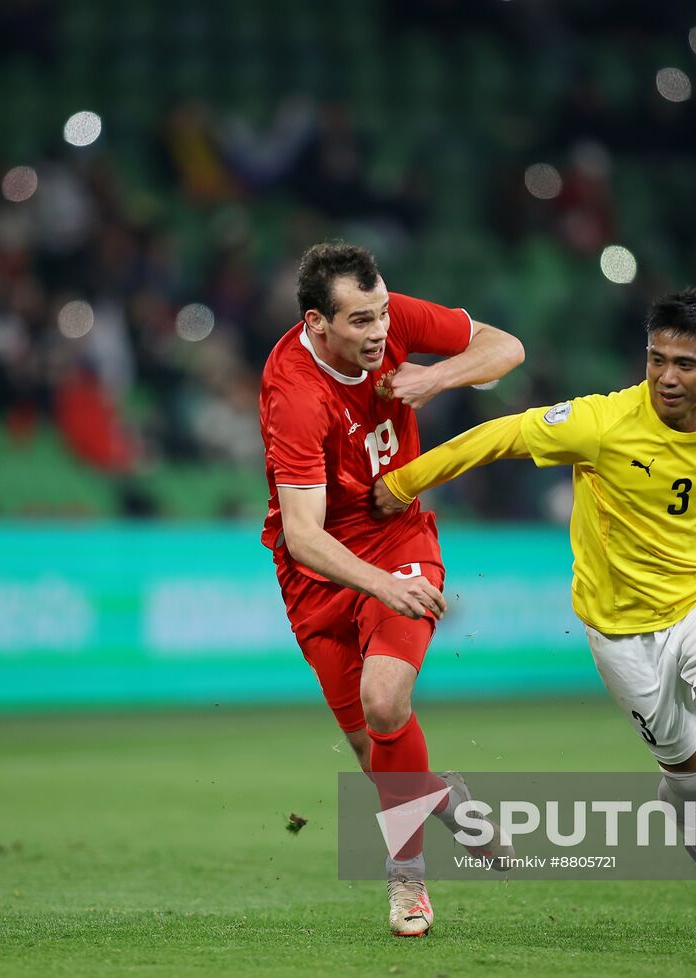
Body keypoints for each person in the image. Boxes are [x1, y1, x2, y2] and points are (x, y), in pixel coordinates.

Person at [373, 288, 696, 924]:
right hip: (621, 627)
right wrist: (403, 483)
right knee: (688, 767)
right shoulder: (601, 422)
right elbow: (499, 436)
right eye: (656, 360)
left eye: (684, 364)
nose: (666, 377)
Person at [260, 241, 525, 936]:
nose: (379, 332)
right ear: (318, 325)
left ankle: (407, 881)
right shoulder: (293, 390)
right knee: (372, 751)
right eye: (359, 323)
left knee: (385, 702)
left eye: (381, 314)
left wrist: (435, 380)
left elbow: (506, 349)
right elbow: (303, 534)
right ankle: (443, 800)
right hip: (320, 570)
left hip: (400, 535)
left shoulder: (392, 322)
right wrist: (381, 587)